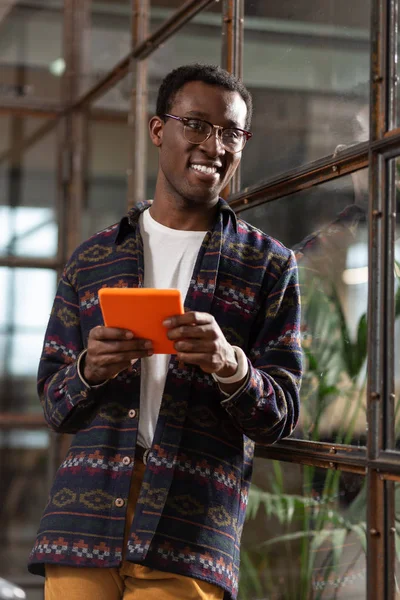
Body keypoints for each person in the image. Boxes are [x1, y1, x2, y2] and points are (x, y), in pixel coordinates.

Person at [28, 63, 302, 600]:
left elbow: (282, 416)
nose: (215, 146)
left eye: (232, 133)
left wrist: (232, 365)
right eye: (197, 125)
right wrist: (89, 369)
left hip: (190, 529)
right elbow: (55, 405)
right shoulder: (92, 260)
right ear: (159, 131)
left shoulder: (268, 264)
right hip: (83, 524)